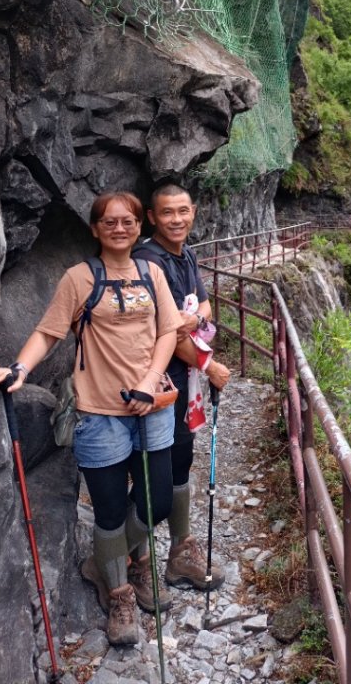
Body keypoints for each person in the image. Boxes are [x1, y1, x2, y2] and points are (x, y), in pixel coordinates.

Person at [0, 192, 184, 646]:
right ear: (95, 229)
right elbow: (48, 331)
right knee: (111, 510)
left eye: (129, 221)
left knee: (157, 501)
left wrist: (152, 380)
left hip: (151, 407)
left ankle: (106, 559)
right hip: (98, 415)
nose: (120, 228)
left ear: (139, 227)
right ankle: (119, 591)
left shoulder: (151, 273)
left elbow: (169, 331)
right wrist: (19, 368)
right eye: (109, 222)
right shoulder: (79, 278)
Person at [133, 183, 231, 591]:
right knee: (148, 469)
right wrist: (210, 366)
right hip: (153, 381)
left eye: (183, 211)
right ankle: (132, 562)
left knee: (180, 459)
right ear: (153, 217)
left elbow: (203, 307)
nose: (177, 219)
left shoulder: (185, 254)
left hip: (180, 382)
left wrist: (191, 321)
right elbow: (167, 334)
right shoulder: (147, 260)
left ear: (193, 212)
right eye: (167, 213)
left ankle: (179, 552)